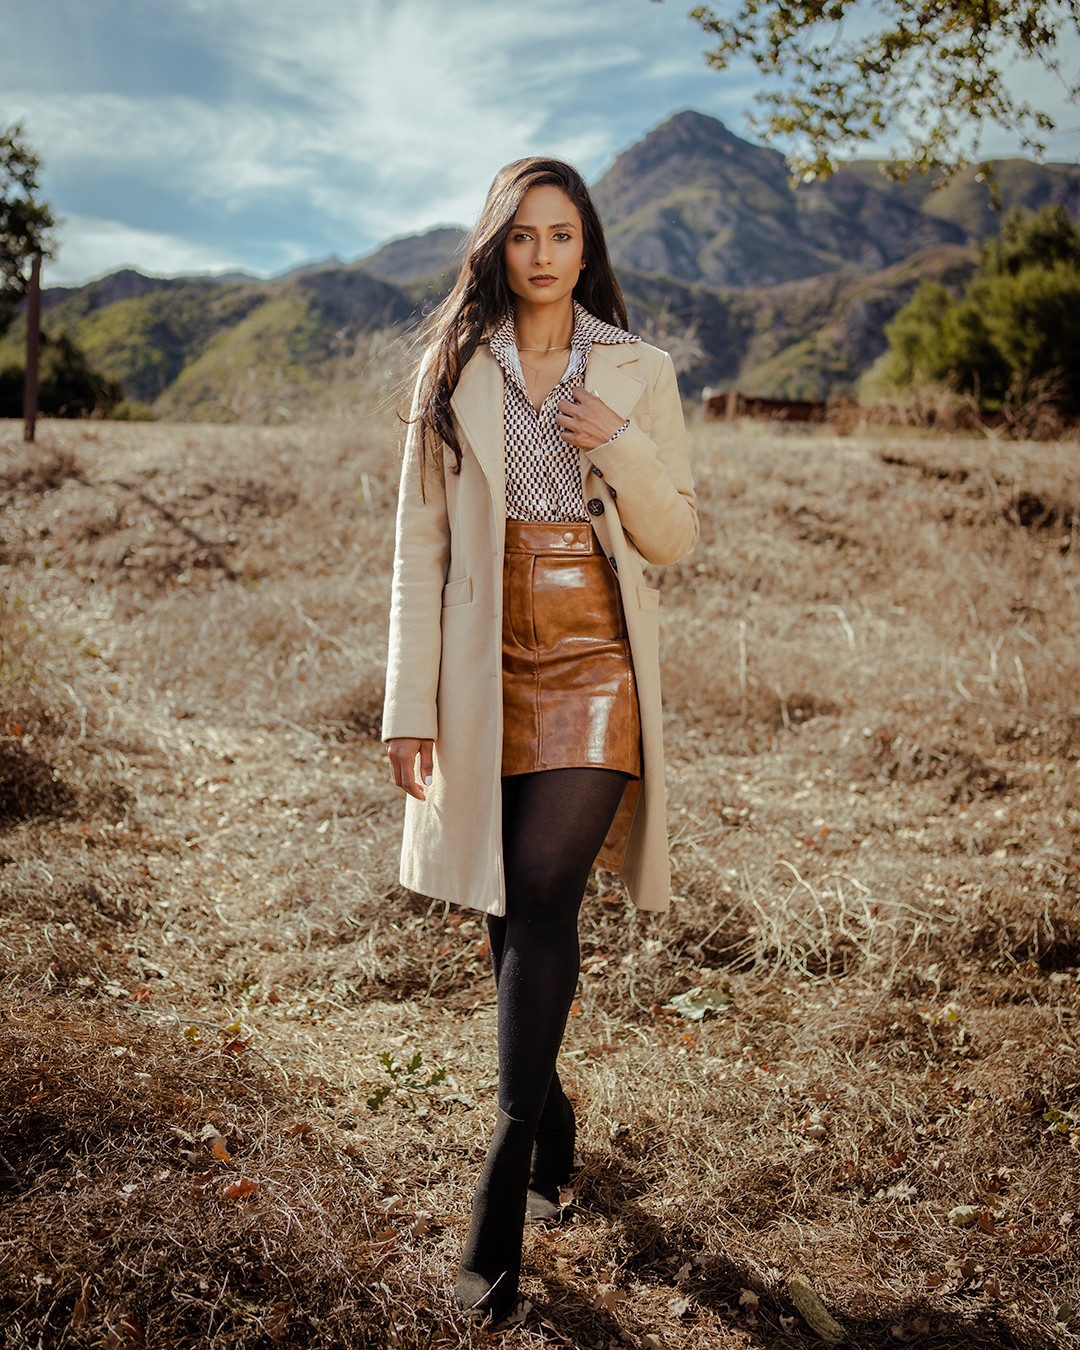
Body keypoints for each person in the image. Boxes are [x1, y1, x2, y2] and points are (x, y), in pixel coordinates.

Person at [382, 156, 698, 1323]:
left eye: (562, 233)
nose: (544, 253)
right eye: (522, 235)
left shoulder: (638, 369)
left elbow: (674, 538)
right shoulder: (451, 369)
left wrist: (616, 439)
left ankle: (503, 1188)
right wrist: (408, 707)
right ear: (497, 248)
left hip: (595, 654)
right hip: (480, 663)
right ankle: (555, 1119)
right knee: (503, 910)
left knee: (548, 896)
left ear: (586, 244)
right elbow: (419, 545)